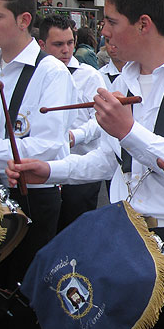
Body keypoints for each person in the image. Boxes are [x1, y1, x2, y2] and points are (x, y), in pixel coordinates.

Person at [7, 0, 164, 329]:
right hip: (128, 238)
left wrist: (130, 132)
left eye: (110, 21)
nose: (102, 31)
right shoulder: (121, 82)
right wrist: (51, 170)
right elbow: (110, 163)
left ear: (143, 25)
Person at [0, 0, 76, 329]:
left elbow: (46, 146)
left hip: (32, 201)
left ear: (24, 20)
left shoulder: (51, 72)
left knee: (23, 299)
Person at [37, 15, 106, 231]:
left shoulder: (90, 76)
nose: (66, 50)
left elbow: (100, 120)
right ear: (42, 45)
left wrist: (75, 137)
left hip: (81, 169)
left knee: (76, 235)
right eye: (58, 44)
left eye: (70, 43)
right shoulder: (35, 76)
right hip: (45, 171)